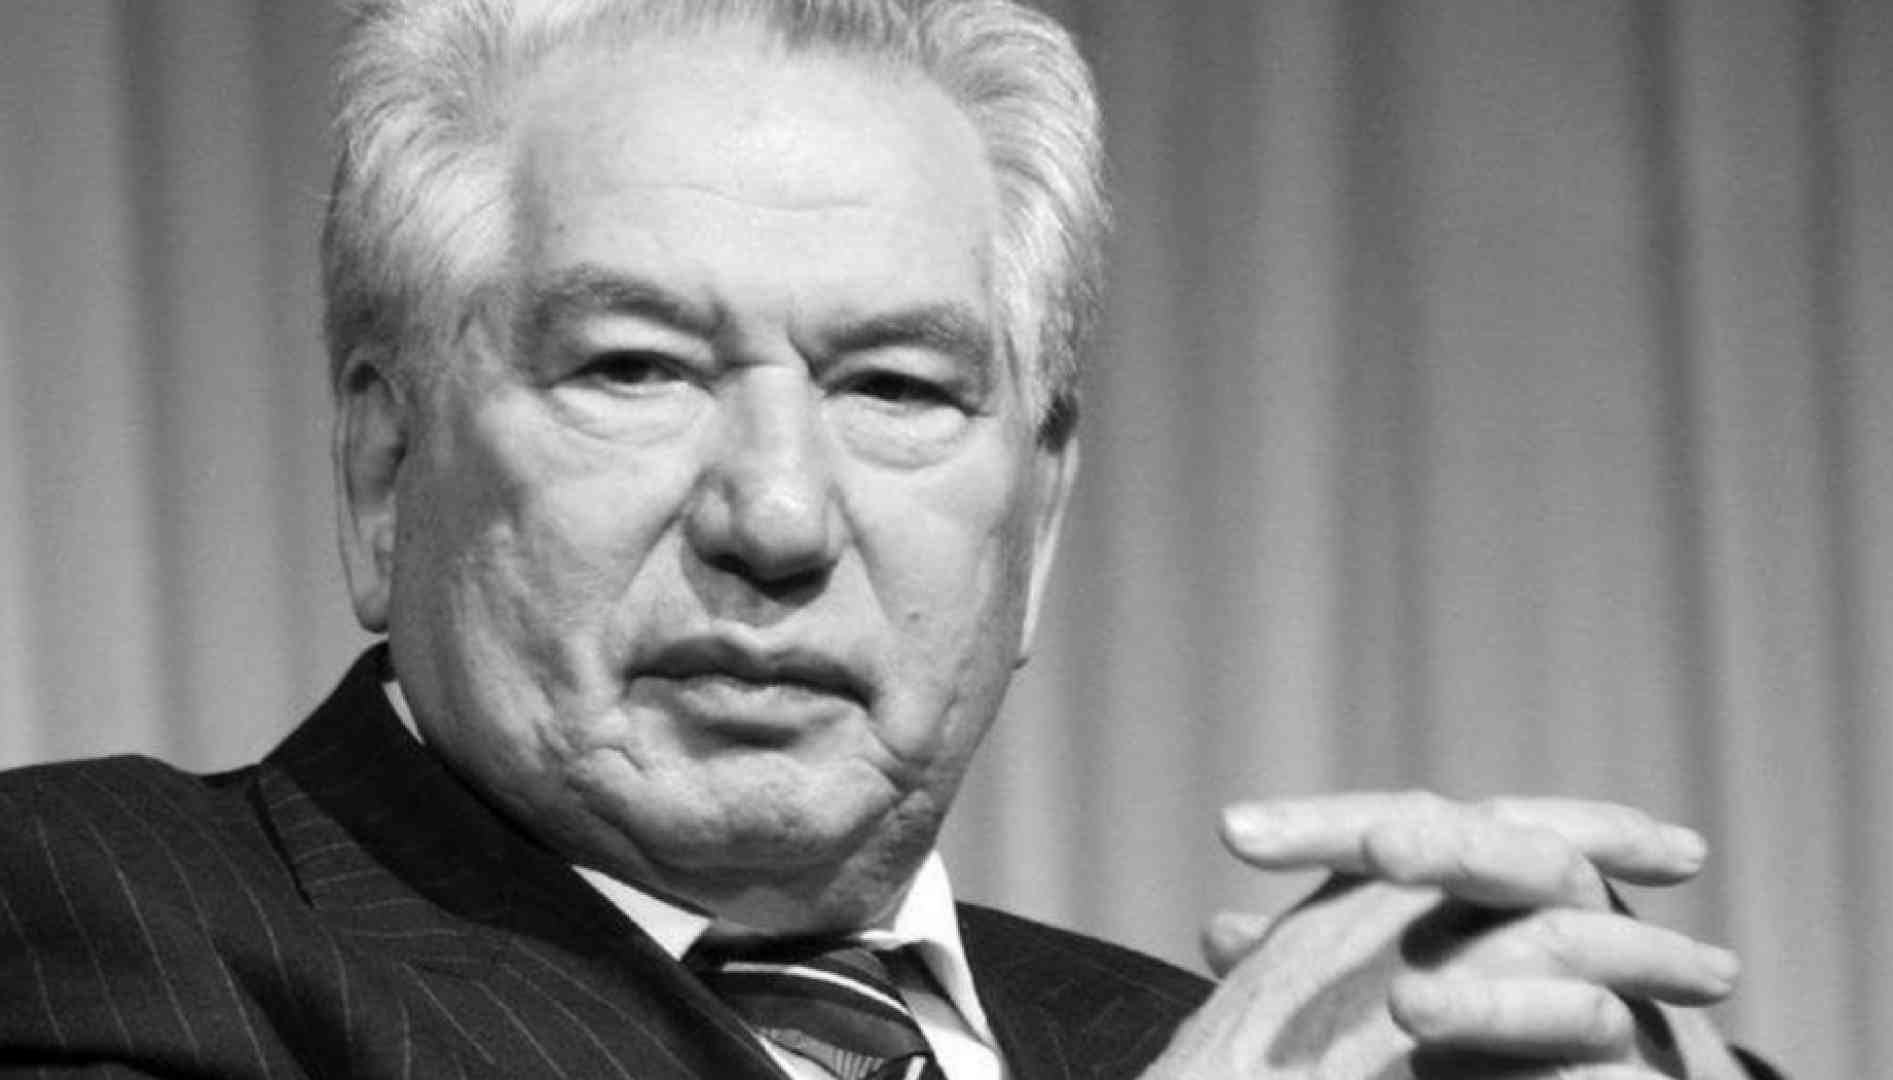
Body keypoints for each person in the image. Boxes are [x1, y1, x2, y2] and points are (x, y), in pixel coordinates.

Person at [0, 1, 1782, 1077]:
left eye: (901, 387)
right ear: (386, 472)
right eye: (635, 367)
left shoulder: (1175, 1040)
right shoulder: (92, 931)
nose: (776, 515)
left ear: (1041, 515)